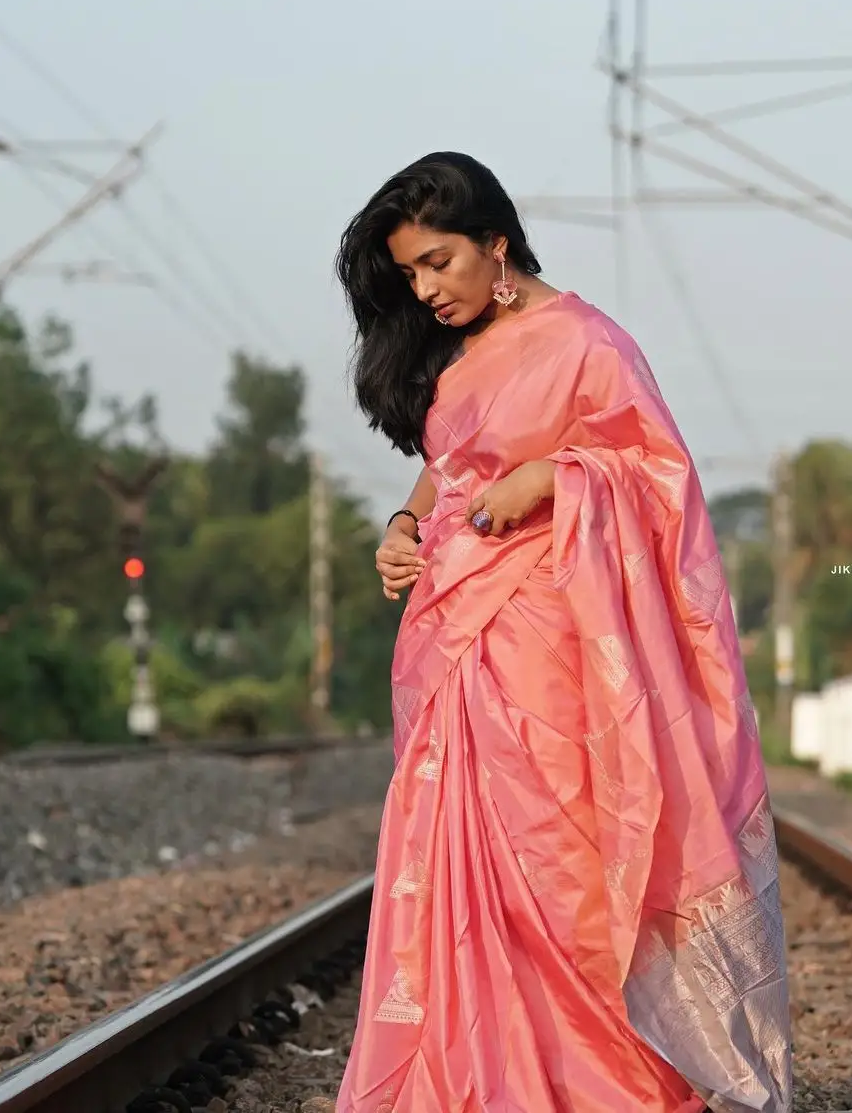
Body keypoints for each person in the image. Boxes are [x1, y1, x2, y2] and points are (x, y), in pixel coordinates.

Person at [330, 151, 793, 1112]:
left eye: (439, 263)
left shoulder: (589, 343)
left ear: (496, 244)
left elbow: (657, 473)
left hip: (554, 642)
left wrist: (553, 477)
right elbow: (448, 464)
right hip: (460, 638)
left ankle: (600, 1076)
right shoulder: (459, 356)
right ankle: (484, 1071)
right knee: (463, 859)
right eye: (411, 274)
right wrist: (403, 526)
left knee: (558, 857)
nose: (426, 290)